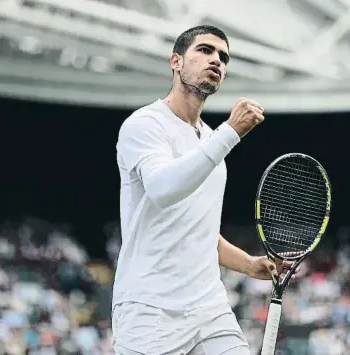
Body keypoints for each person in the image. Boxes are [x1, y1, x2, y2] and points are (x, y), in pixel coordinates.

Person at [112, 25, 290, 355]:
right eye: (205, 50)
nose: (216, 60)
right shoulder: (145, 125)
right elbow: (163, 189)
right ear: (176, 61)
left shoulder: (211, 141)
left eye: (223, 57)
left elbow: (200, 231)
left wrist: (249, 264)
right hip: (151, 309)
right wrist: (231, 132)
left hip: (209, 307)